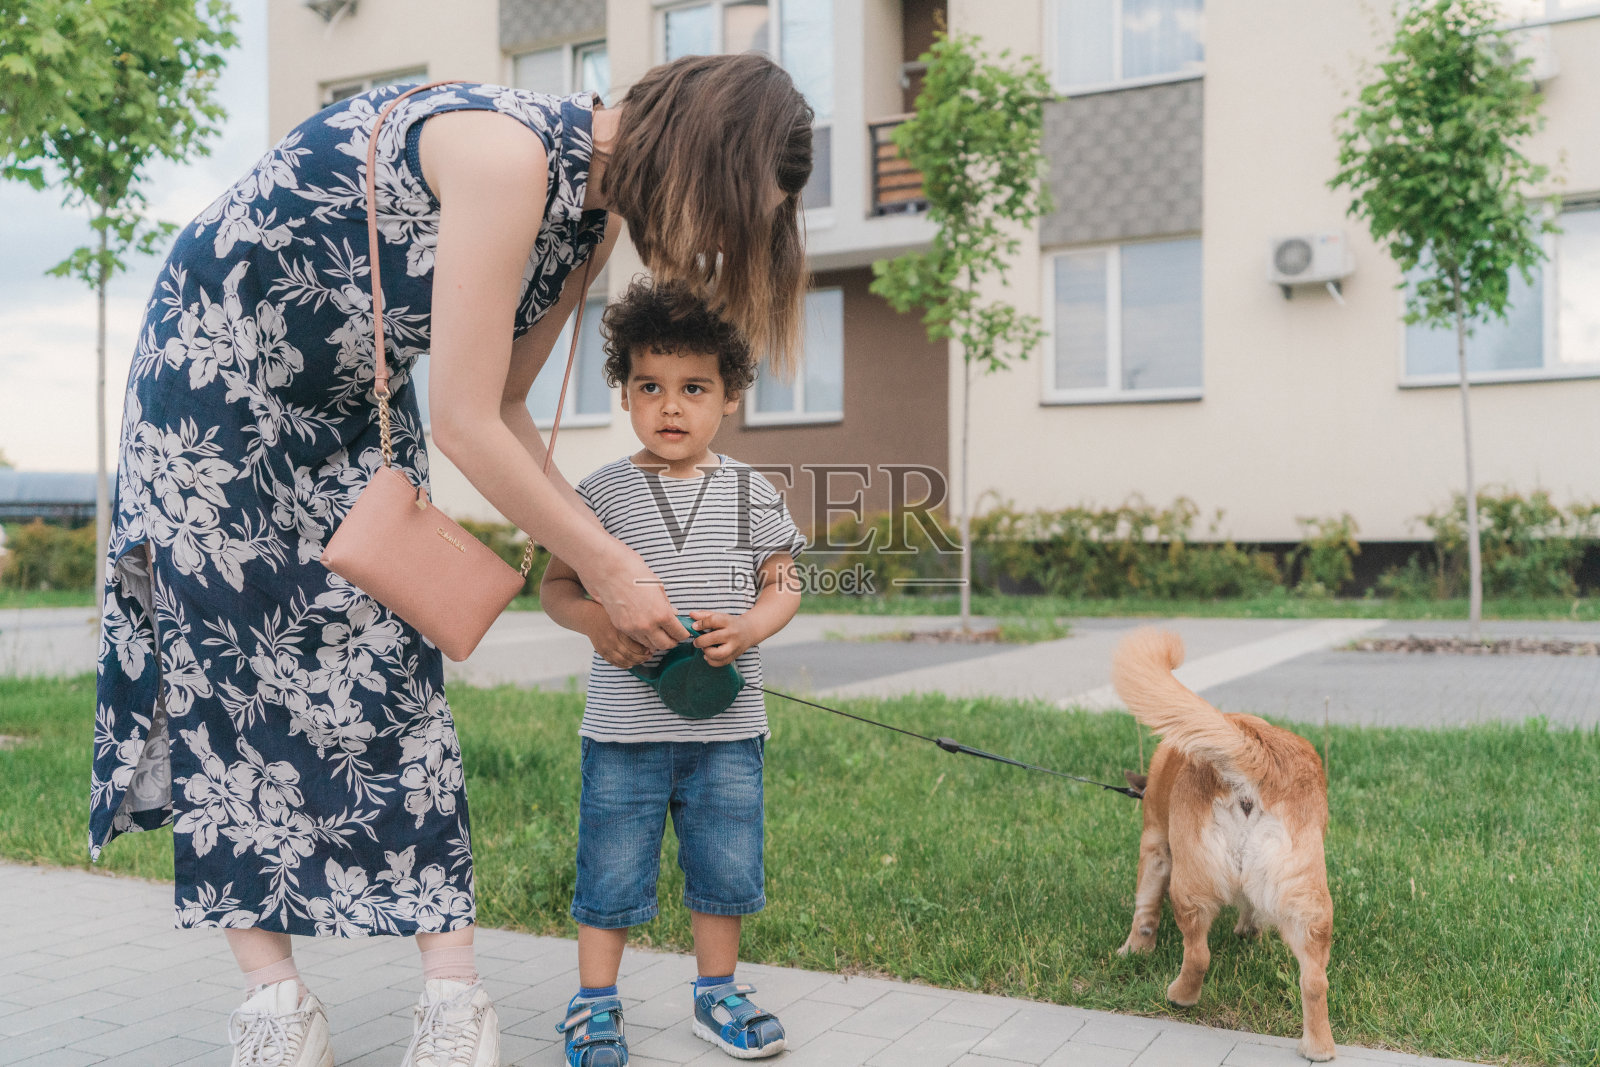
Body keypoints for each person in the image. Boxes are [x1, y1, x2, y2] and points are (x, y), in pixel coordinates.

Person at [91, 53, 812, 1067]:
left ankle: (452, 996)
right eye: (741, 210)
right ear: (701, 161)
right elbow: (467, 422)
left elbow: (507, 406)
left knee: (390, 666)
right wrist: (606, 567)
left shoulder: (591, 215)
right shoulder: (508, 154)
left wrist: (614, 559)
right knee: (228, 687)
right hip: (212, 385)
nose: (725, 242)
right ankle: (272, 1000)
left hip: (354, 407)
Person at [540, 279, 805, 1065]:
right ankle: (594, 1004)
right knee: (612, 864)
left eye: (694, 388)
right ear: (624, 392)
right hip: (625, 732)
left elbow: (784, 579)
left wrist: (753, 626)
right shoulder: (597, 494)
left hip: (729, 731)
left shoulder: (753, 492)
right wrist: (595, 622)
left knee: (725, 863)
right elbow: (557, 586)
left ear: (729, 397)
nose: (671, 406)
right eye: (650, 387)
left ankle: (717, 993)